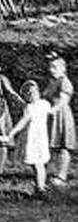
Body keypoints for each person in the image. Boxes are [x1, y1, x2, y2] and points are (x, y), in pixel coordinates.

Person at [7, 81, 52, 194]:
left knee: (38, 163)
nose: (33, 95)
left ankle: (41, 187)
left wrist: (12, 132)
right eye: (29, 94)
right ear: (26, 97)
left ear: (38, 92)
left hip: (39, 138)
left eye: (34, 92)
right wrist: (13, 132)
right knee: (36, 163)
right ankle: (40, 184)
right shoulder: (30, 107)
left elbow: (49, 116)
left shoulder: (44, 104)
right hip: (33, 138)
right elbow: (23, 121)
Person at [44, 54, 75, 185]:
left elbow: (63, 102)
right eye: (50, 67)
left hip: (61, 116)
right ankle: (49, 173)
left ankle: (62, 176)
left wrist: (51, 111)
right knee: (51, 145)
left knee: (63, 146)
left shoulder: (64, 82)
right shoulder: (52, 82)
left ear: (63, 68)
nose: (52, 70)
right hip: (51, 116)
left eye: (55, 67)